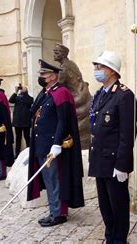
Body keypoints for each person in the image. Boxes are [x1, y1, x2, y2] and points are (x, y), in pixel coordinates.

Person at [27, 59, 84, 227]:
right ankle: (54, 210)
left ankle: (58, 213)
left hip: (52, 146)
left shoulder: (61, 93)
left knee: (55, 180)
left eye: (43, 74)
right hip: (41, 145)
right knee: (49, 181)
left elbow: (63, 121)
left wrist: (57, 143)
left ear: (52, 76)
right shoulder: (47, 93)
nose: (41, 77)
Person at [88, 51, 137, 244]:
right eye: (96, 67)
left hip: (115, 163)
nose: (96, 70)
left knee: (118, 208)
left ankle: (119, 240)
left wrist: (122, 165)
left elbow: (128, 133)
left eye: (99, 67)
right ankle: (110, 239)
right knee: (105, 208)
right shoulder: (99, 94)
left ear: (112, 71)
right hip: (100, 160)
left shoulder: (124, 96)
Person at [8, 85, 33, 158]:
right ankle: (17, 153)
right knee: (18, 138)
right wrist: (15, 92)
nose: (22, 90)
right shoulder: (17, 97)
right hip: (18, 122)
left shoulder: (29, 98)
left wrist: (25, 92)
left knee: (27, 137)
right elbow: (10, 100)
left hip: (26, 122)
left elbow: (29, 102)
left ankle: (29, 151)